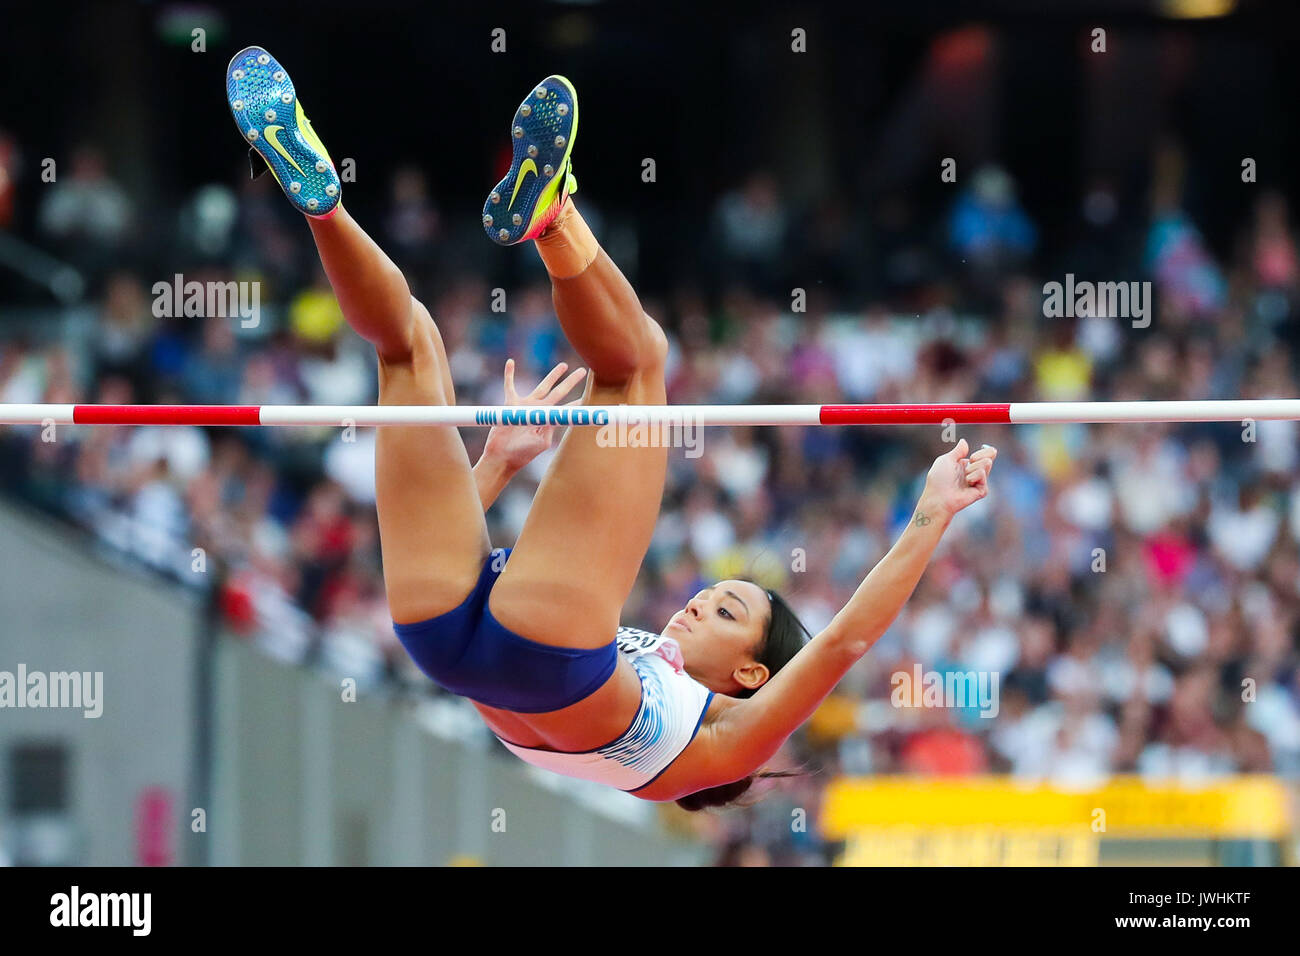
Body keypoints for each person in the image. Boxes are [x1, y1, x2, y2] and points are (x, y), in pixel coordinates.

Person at [226, 46, 998, 808]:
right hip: (448, 642)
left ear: (752, 675)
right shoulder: (643, 664)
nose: (697, 601)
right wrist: (495, 465)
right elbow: (452, 547)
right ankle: (323, 206)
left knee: (635, 370)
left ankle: (555, 216)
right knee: (406, 347)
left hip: (537, 652)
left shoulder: (724, 738)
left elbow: (843, 643)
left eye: (727, 613)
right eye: (715, 594)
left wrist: (932, 510)